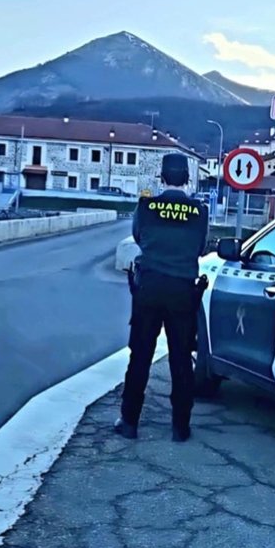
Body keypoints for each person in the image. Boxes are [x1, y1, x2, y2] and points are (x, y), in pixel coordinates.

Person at [115, 153, 208, 442]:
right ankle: (181, 427)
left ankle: (129, 422)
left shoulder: (146, 206)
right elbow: (201, 247)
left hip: (149, 288)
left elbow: (139, 238)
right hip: (183, 290)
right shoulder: (199, 211)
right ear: (187, 179)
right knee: (181, 360)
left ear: (162, 177)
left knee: (140, 356)